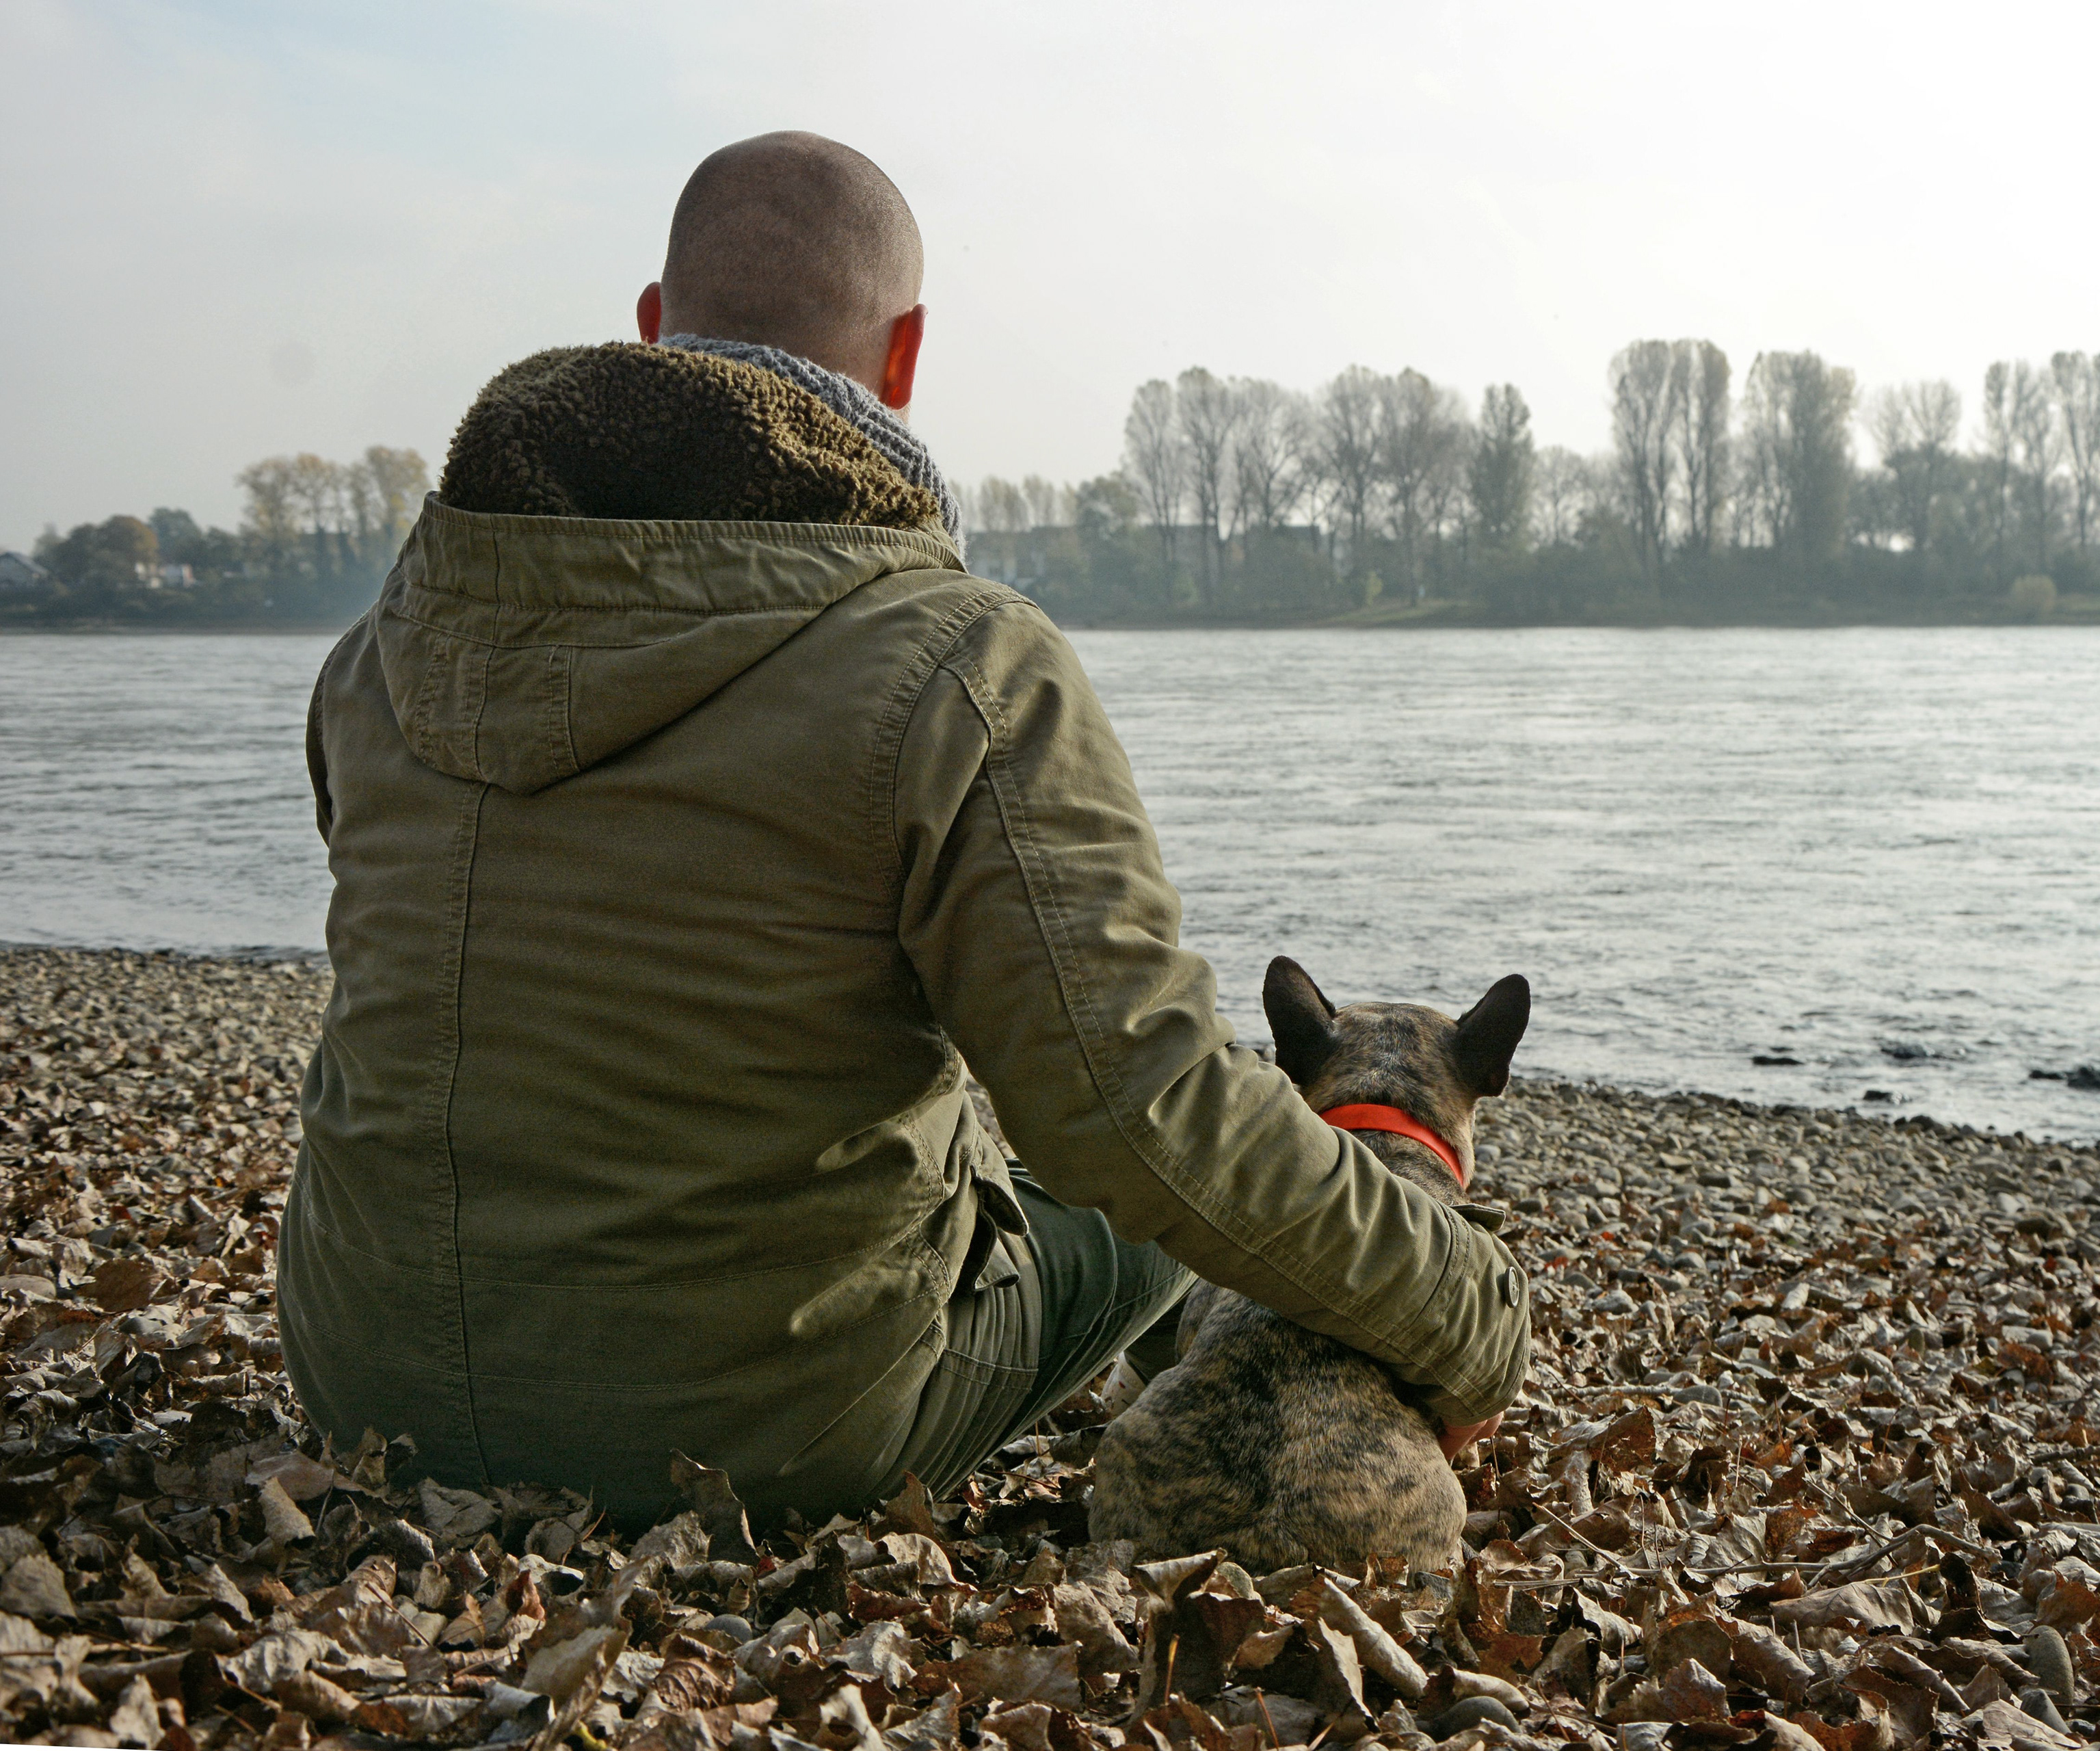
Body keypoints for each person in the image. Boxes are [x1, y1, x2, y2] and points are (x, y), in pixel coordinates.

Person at [280, 131, 1526, 1525]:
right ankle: (1214, 1408)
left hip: (363, 1384)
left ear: (652, 331)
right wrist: (1469, 1309)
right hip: (766, 1431)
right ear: (907, 355)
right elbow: (1150, 1112)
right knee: (1149, 1219)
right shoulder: (957, 663)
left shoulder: (378, 648)